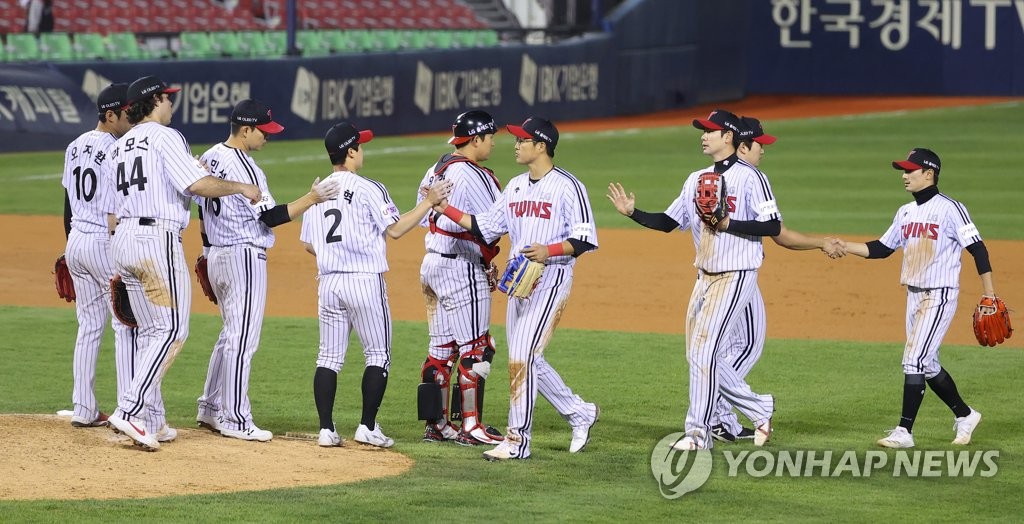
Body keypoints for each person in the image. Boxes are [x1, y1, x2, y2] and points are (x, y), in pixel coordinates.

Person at [104, 76, 261, 451]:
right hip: (156, 240)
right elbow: (196, 185)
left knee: (149, 331)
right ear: (154, 100)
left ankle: (152, 420)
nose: (171, 104)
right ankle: (129, 410)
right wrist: (241, 187)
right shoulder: (165, 137)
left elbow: (110, 213)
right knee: (171, 331)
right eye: (167, 98)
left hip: (123, 238)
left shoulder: (119, 146)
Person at [432, 116, 600, 461]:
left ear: (541, 146)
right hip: (519, 280)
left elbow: (585, 240)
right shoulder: (515, 186)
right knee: (527, 358)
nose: (516, 144)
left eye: (523, 140)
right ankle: (579, 412)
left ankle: (517, 440)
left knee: (521, 356)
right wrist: (443, 207)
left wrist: (548, 250)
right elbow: (486, 227)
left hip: (551, 277)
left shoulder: (569, 186)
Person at [607, 109, 777, 450]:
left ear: (728, 137)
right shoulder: (695, 178)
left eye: (710, 131)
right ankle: (758, 407)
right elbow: (670, 221)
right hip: (704, 275)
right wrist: (633, 213)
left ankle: (698, 434)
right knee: (696, 355)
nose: (703, 135)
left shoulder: (751, 178)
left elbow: (771, 225)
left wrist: (729, 224)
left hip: (737, 273)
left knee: (703, 353)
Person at [194, 99, 340, 442]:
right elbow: (270, 217)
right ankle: (235, 417)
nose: (268, 137)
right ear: (245, 130)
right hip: (243, 256)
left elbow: (201, 210)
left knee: (230, 334)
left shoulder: (210, 156)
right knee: (243, 339)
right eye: (264, 131)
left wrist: (205, 251)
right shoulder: (246, 168)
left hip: (217, 254)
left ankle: (211, 407)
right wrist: (312, 197)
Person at [301, 121, 452, 448]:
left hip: (328, 284)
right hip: (364, 283)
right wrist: (429, 202)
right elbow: (396, 230)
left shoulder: (317, 191)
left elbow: (310, 245)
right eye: (360, 146)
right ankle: (367, 426)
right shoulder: (370, 188)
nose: (363, 151)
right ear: (351, 151)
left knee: (328, 357)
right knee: (378, 355)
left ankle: (326, 430)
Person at [837, 148, 989, 448]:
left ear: (929, 174)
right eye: (903, 171)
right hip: (913, 295)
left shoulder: (951, 209)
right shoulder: (905, 212)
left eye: (910, 171)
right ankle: (965, 414)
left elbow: (978, 248)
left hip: (940, 295)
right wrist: (846, 246)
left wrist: (990, 293)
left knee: (913, 360)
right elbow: (882, 248)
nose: (904, 176)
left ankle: (904, 431)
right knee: (927, 363)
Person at [709, 116, 845, 442]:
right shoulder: (749, 178)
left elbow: (777, 233)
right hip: (733, 273)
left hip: (721, 273)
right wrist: (821, 243)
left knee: (725, 349)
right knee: (731, 349)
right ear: (742, 146)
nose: (762, 152)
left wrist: (819, 242)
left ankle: (717, 417)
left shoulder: (713, 178)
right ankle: (718, 411)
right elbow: (776, 231)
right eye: (759, 145)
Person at [416, 110, 504, 446]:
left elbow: (426, 214)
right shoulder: (473, 174)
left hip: (432, 265)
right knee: (476, 349)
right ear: (477, 139)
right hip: (460, 267)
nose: (494, 142)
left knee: (440, 351)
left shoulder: (437, 168)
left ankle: (436, 425)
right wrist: (485, 261)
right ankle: (471, 426)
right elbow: (492, 225)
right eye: (490, 137)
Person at [61, 82, 136, 428]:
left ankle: (83, 407)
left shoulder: (74, 146)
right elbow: (115, 211)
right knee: (126, 326)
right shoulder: (117, 150)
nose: (132, 119)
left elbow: (67, 205)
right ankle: (127, 410)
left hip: (76, 240)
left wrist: (68, 249)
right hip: (102, 242)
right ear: (110, 115)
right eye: (127, 114)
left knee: (89, 326)